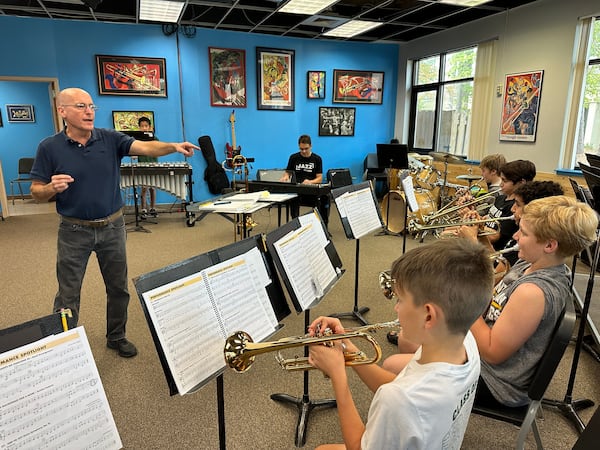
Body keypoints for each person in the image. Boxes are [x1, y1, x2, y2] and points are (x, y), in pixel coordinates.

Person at [29, 87, 198, 358]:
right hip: (73, 230)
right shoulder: (48, 147)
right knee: (68, 293)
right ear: (63, 111)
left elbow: (143, 146)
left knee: (118, 288)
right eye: (81, 106)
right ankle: (62, 346)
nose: (88, 112)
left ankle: (116, 336)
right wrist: (50, 188)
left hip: (112, 227)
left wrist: (172, 147)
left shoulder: (109, 138)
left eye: (91, 107)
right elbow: (36, 191)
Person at [385, 196, 598, 409]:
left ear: (550, 245)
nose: (515, 236)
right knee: (407, 339)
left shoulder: (533, 293)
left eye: (523, 233)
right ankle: (426, 395)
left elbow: (491, 352)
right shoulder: (531, 262)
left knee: (391, 366)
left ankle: (424, 402)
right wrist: (479, 241)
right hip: (484, 351)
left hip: (496, 381)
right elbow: (492, 292)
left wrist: (459, 303)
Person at [307, 238, 495, 449]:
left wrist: (337, 376)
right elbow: (396, 384)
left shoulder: (399, 399)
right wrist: (349, 349)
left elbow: (358, 446)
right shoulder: (463, 341)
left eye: (400, 300)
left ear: (428, 317)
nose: (396, 309)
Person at [281, 134, 330, 226]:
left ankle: (322, 225)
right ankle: (296, 225)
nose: (303, 151)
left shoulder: (317, 159)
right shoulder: (293, 157)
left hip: (311, 189)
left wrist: (310, 182)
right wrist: (286, 176)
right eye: (301, 149)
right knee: (293, 199)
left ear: (311, 146)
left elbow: (319, 178)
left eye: (306, 148)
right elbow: (288, 172)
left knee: (324, 199)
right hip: (297, 189)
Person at [137, 116, 158, 219]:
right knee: (144, 188)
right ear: (139, 128)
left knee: (153, 188)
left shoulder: (155, 138)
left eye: (146, 126)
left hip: (153, 165)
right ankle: (143, 209)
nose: (144, 128)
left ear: (150, 127)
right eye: (142, 126)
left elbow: (159, 150)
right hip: (142, 166)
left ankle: (153, 208)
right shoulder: (137, 140)